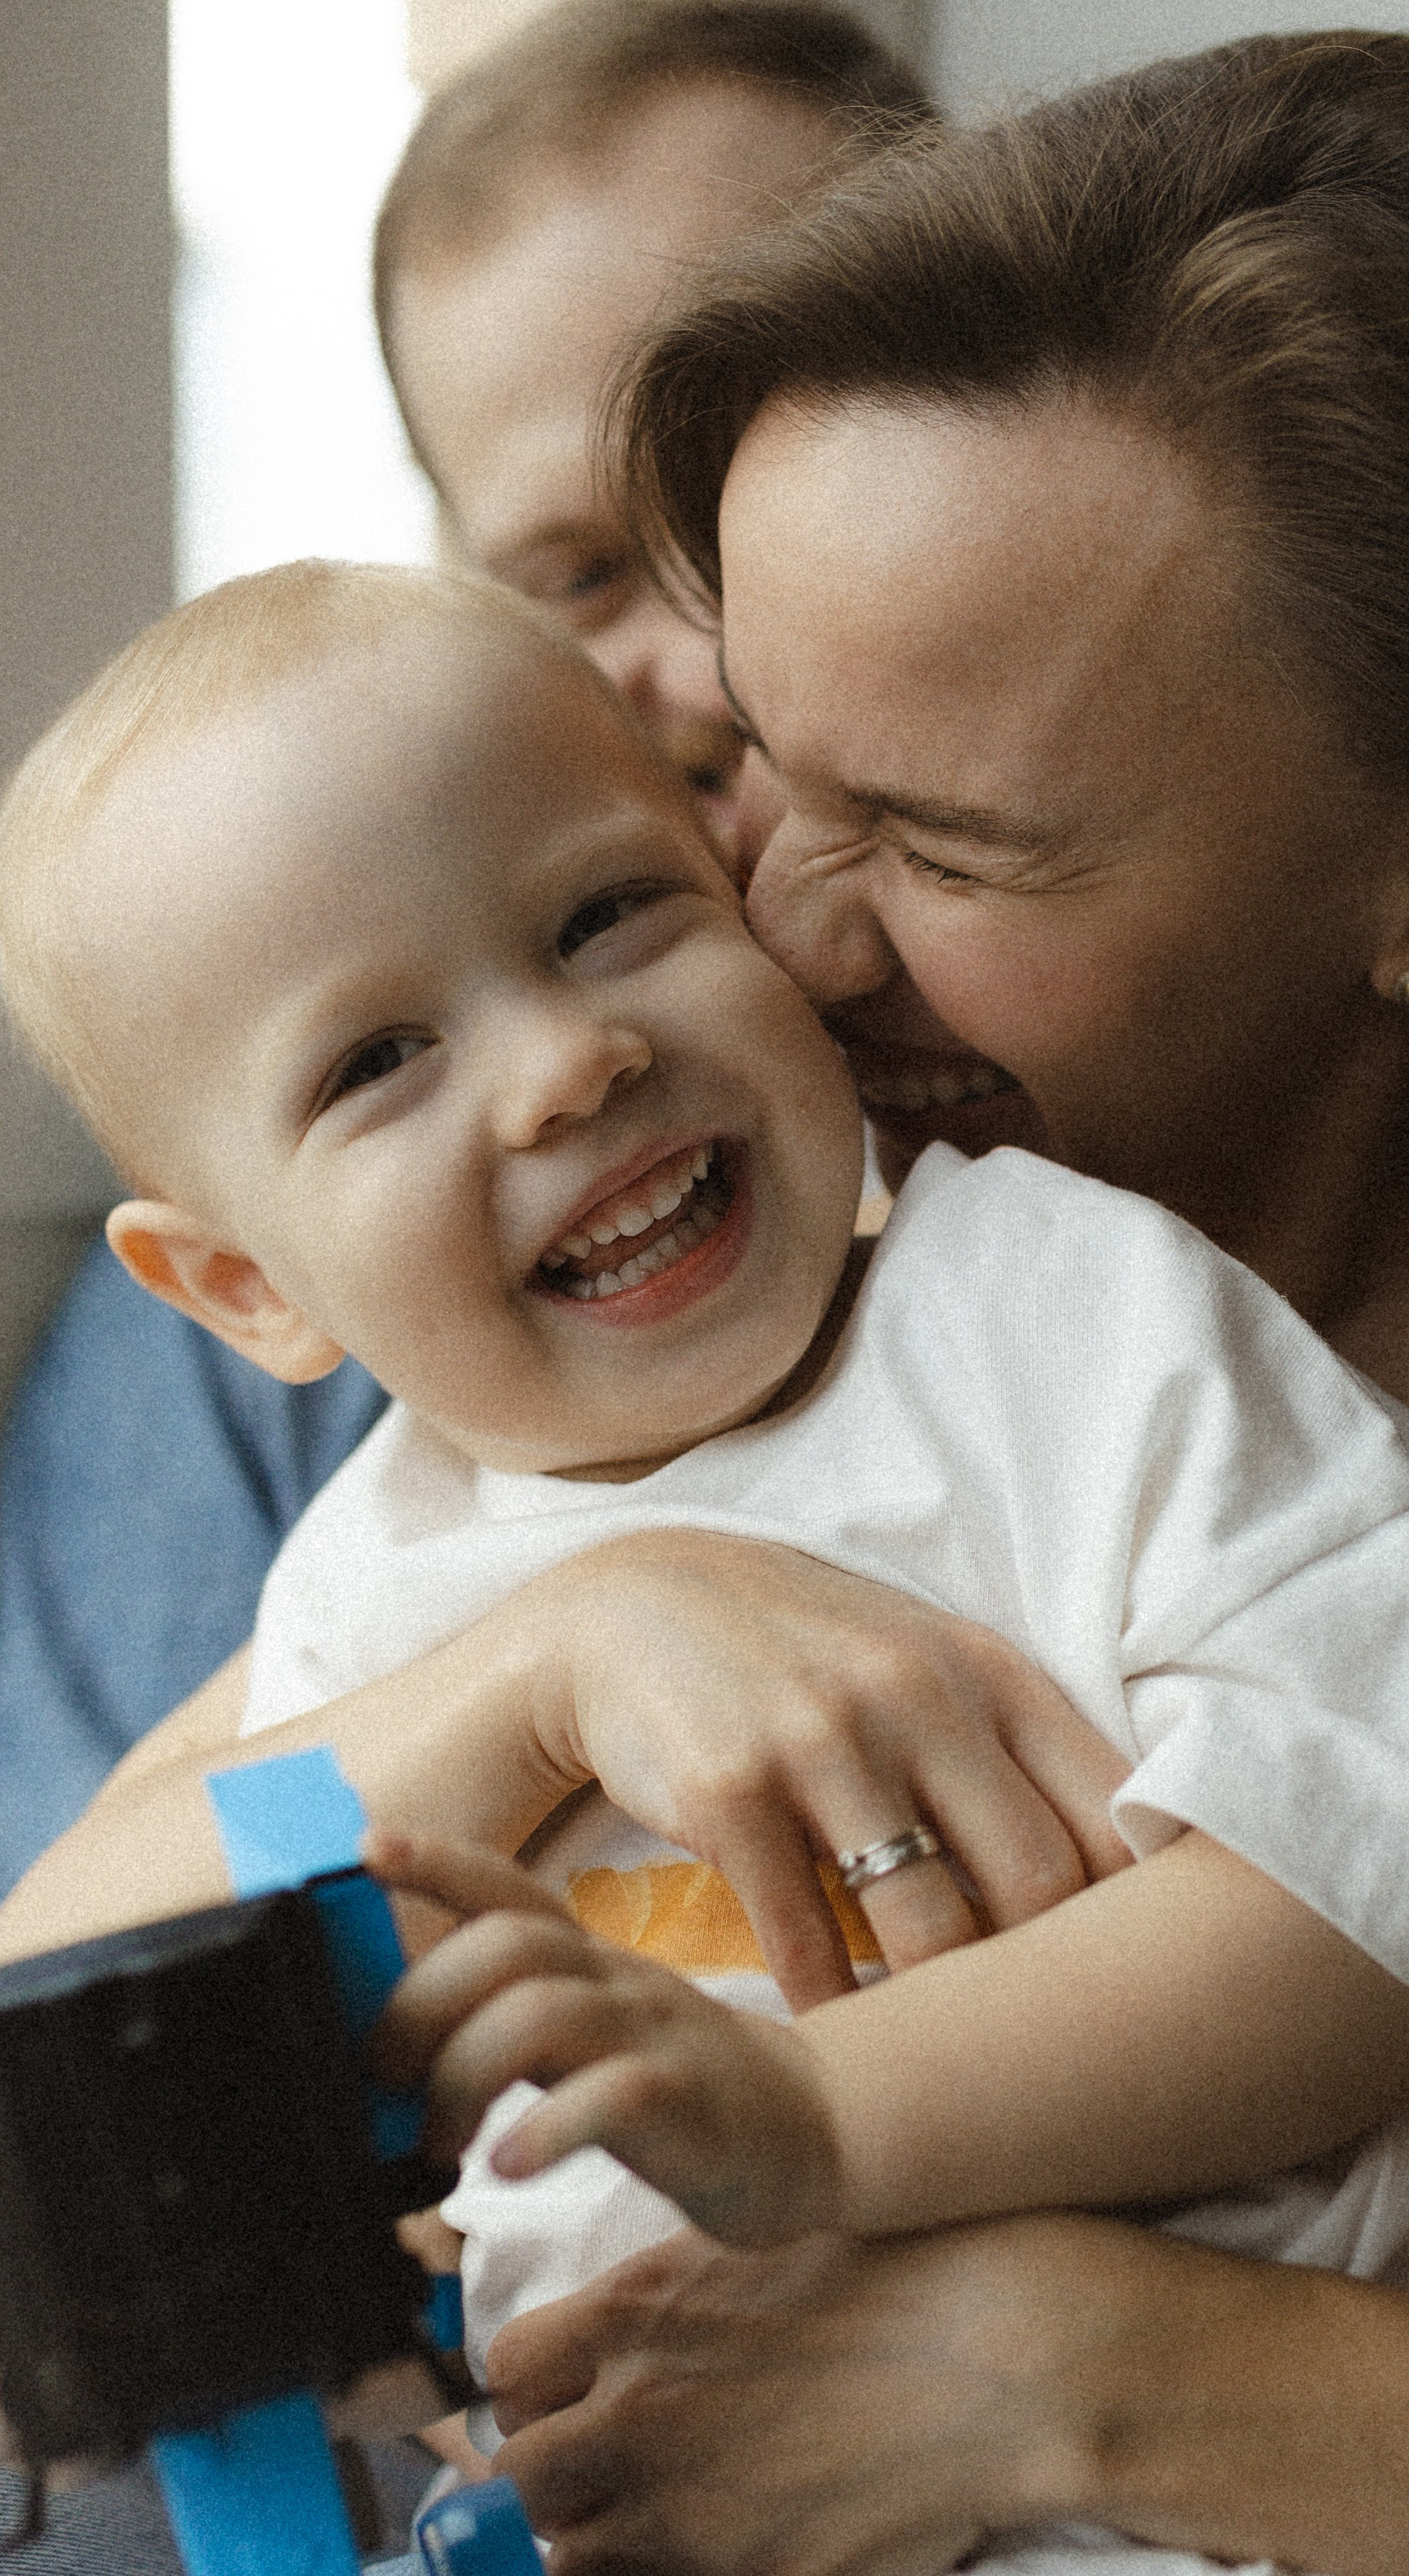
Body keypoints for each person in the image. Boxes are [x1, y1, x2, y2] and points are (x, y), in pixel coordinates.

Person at [9, 26, 1409, 2570]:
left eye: (933, 839)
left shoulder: (1238, 1417)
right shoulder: (727, 1338)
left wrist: (1100, 2384)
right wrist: (556, 1655)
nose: (782, 935)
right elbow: (84, 1989)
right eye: (749, 786)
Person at [0, 0, 933, 1895]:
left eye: (763, 472)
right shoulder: (346, 1452)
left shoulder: (1058, 1275)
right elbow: (103, 1937)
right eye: (581, 571)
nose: (713, 647)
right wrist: (522, 1681)